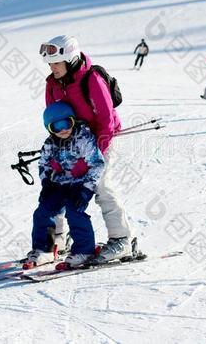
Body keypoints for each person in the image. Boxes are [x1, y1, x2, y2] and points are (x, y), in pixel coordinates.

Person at [41, 35, 133, 263]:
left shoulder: (91, 79)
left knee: (100, 186)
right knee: (60, 183)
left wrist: (94, 154)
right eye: (50, 64)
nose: (53, 68)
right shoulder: (52, 83)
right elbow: (52, 117)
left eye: (57, 63)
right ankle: (59, 238)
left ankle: (121, 239)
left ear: (70, 60)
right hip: (71, 141)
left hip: (102, 139)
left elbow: (106, 120)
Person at [26, 101, 105, 268]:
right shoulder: (50, 143)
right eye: (57, 126)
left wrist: (86, 189)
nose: (63, 129)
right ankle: (43, 249)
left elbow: (97, 164)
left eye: (66, 123)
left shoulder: (84, 138)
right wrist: (47, 182)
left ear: (73, 120)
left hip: (80, 184)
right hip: (58, 184)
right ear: (49, 128)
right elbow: (43, 164)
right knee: (42, 212)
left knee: (74, 211)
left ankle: (85, 250)